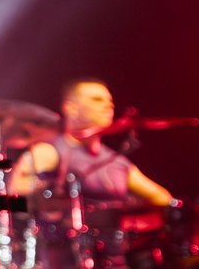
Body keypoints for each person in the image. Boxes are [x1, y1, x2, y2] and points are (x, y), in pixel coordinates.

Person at [9, 78, 174, 207]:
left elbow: (161, 197)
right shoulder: (48, 151)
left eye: (109, 101)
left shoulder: (116, 161)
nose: (109, 105)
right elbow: (17, 192)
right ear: (70, 107)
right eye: (97, 99)